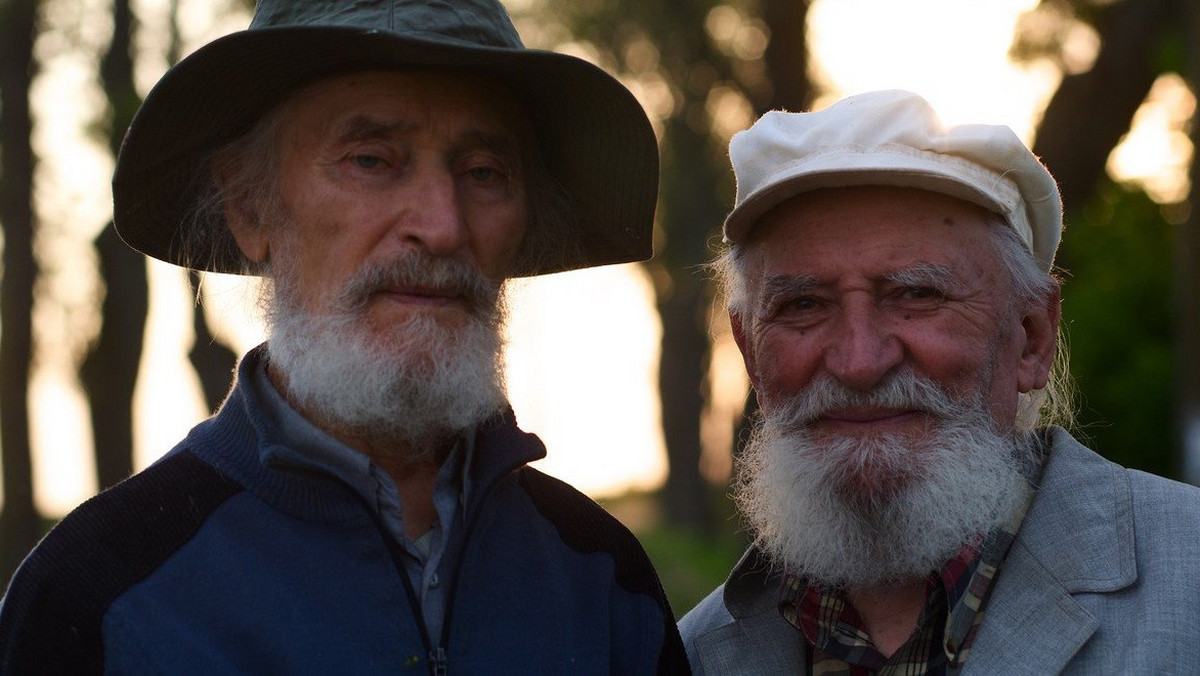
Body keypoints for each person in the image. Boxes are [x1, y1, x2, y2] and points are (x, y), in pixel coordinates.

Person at [0, 1, 688, 673]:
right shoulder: (102, 597)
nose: (443, 226)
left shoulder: (601, 584)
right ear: (249, 207)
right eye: (371, 160)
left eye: (484, 172)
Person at [678, 89, 1200, 673]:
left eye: (917, 295)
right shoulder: (685, 655)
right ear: (750, 350)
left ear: (1031, 337)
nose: (859, 362)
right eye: (803, 305)